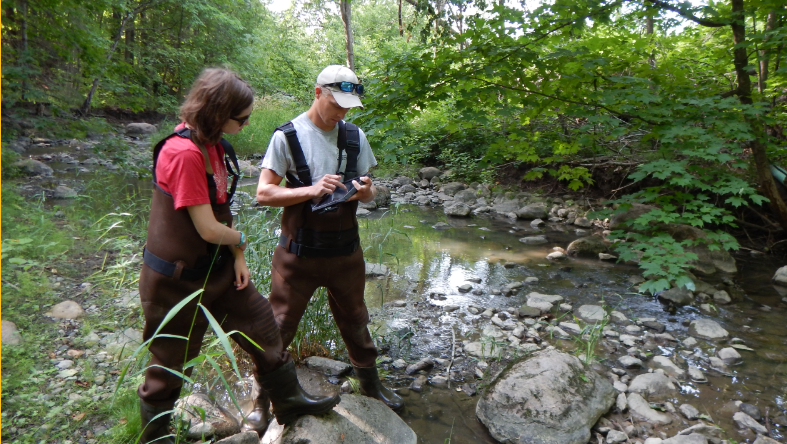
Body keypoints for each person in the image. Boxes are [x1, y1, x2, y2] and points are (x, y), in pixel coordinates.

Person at [137, 68, 339, 444]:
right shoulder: (182, 154)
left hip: (218, 268)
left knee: (262, 324)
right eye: (242, 118)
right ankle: (154, 435)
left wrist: (238, 257)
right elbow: (208, 229)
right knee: (170, 361)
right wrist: (242, 240)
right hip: (175, 280)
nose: (246, 124)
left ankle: (289, 401)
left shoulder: (213, 143)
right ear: (216, 113)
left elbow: (218, 215)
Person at [256, 65, 403, 411]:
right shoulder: (287, 136)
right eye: (337, 103)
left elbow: (369, 194)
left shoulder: (355, 136)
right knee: (279, 327)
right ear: (318, 92)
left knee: (356, 320)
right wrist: (311, 189)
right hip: (297, 257)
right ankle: (261, 399)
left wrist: (366, 192)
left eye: (348, 106)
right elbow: (263, 193)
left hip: (345, 255)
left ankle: (370, 385)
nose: (342, 112)